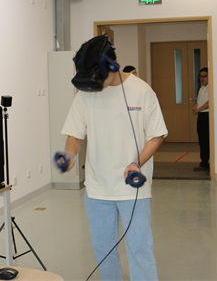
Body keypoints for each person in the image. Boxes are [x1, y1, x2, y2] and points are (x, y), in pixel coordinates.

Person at [60, 35, 168, 281]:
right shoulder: (86, 93)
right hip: (97, 188)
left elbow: (157, 135)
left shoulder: (142, 91)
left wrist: (136, 162)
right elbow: (74, 134)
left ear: (112, 65)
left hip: (133, 186)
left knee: (139, 249)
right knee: (104, 250)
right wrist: (70, 153)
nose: (96, 84)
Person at [193, 67, 210, 171]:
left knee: (207, 140)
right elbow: (199, 101)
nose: (202, 78)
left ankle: (208, 162)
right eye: (201, 76)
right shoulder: (201, 89)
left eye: (205, 76)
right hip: (201, 116)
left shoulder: (211, 88)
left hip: (207, 116)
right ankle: (204, 163)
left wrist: (198, 109)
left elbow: (209, 103)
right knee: (202, 140)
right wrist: (196, 108)